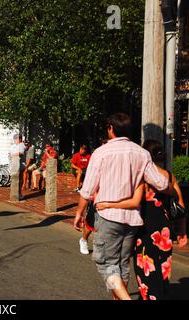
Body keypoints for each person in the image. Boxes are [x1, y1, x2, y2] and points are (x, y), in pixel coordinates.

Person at [73, 113, 173, 300]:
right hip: (132, 219)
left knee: (106, 265)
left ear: (111, 128)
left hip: (108, 216)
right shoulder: (141, 154)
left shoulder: (101, 153)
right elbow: (161, 183)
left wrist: (79, 212)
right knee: (122, 265)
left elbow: (87, 190)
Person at [95, 140, 187, 300]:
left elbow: (131, 201)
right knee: (162, 271)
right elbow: (180, 206)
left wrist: (108, 205)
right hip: (164, 230)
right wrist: (183, 232)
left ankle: (125, 296)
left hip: (143, 228)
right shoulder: (168, 176)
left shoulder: (141, 177)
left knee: (141, 271)